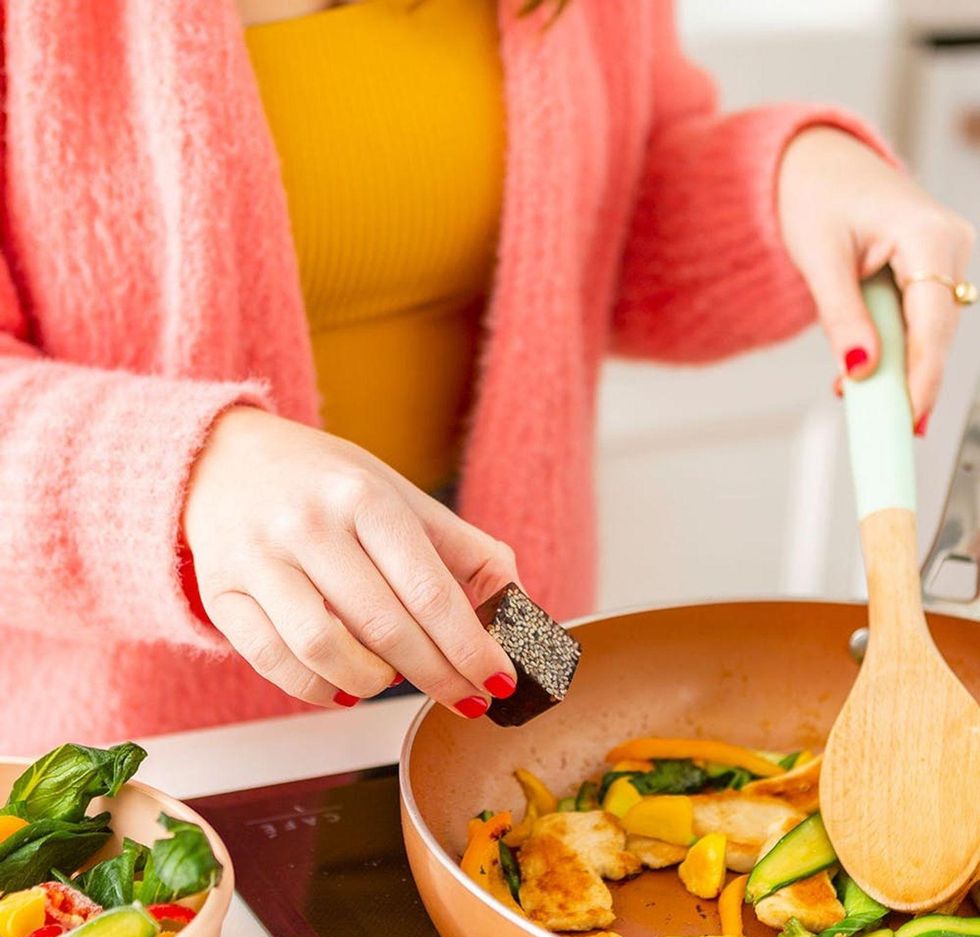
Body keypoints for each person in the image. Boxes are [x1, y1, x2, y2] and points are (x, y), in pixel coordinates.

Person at [2, 0, 973, 746]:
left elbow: (602, 212)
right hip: (124, 743)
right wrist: (183, 478)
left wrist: (791, 177)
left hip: (496, 621)